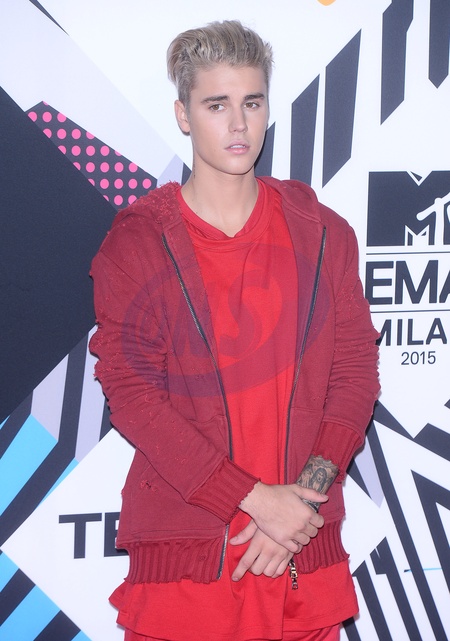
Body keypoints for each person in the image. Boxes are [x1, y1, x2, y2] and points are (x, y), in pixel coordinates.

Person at [89, 19, 379, 641]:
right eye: (216, 105)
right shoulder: (138, 245)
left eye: (252, 102)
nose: (239, 124)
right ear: (183, 114)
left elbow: (355, 374)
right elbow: (134, 398)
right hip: (189, 563)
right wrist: (255, 501)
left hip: (300, 555)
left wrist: (299, 504)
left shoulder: (322, 233)